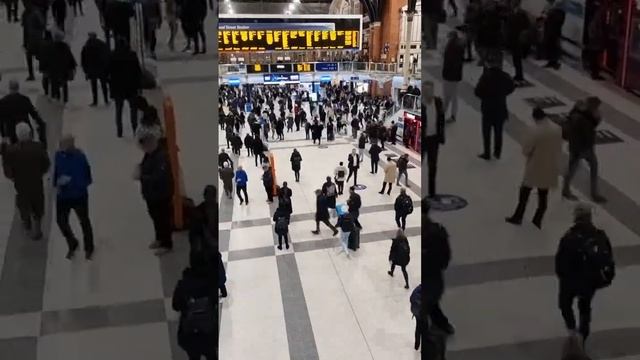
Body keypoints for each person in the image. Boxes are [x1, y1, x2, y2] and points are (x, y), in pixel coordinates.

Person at [555, 203, 614, 344]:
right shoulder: (600, 236)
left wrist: (562, 276)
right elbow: (608, 257)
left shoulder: (569, 237)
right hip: (590, 281)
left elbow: (560, 261)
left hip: (570, 281)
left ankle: (572, 330)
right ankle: (583, 334)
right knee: (585, 307)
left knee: (565, 304)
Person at [506, 108, 562, 229]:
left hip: (535, 165)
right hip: (550, 166)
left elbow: (526, 150)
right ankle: (537, 219)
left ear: (535, 117)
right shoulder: (557, 129)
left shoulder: (535, 131)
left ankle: (518, 216)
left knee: (525, 193)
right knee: (543, 195)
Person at [2, 123, 50, 240]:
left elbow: (7, 169)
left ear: (17, 136)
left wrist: (12, 176)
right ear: (30, 133)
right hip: (36, 181)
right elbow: (46, 164)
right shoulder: (38, 147)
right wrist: (40, 172)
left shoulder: (11, 150)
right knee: (38, 203)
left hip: (21, 183)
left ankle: (27, 223)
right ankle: (37, 225)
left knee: (23, 203)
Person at [54, 135, 95, 260]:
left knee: (84, 221)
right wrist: (56, 183)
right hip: (63, 196)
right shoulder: (58, 155)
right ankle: (72, 242)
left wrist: (69, 183)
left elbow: (87, 178)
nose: (60, 148)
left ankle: (89, 247)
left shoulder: (80, 158)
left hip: (79, 196)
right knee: (61, 221)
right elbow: (56, 171)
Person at [135, 133, 174, 256]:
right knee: (155, 217)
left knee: (163, 219)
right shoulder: (149, 155)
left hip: (161, 194)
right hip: (151, 194)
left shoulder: (161, 157)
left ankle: (167, 243)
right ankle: (159, 238)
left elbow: (159, 177)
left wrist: (142, 176)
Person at [172, 251, 216, 360]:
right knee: (211, 355)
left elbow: (176, 306)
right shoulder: (211, 282)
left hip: (190, 331)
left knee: (193, 356)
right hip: (209, 331)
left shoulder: (183, 284)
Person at [562, 97, 606, 203]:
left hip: (581, 147)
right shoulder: (584, 118)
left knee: (576, 168)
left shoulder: (578, 112)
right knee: (575, 168)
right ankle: (592, 193)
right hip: (582, 148)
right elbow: (587, 131)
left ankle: (567, 189)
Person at [422, 200, 455, 335]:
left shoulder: (436, 233)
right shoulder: (433, 232)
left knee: (429, 303)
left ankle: (437, 326)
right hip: (428, 277)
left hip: (432, 277)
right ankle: (440, 323)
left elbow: (445, 257)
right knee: (430, 304)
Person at [474, 54, 515, 160]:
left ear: (488, 64)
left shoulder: (485, 77)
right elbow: (512, 86)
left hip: (488, 108)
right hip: (500, 107)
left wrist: (485, 96)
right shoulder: (504, 75)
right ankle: (497, 152)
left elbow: (477, 92)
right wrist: (503, 93)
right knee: (498, 132)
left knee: (486, 132)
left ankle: (487, 153)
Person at [108, 37, 142, 138]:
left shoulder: (113, 55)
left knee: (118, 110)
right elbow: (137, 71)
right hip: (131, 87)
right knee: (133, 109)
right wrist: (138, 85)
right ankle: (134, 128)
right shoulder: (132, 55)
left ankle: (119, 131)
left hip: (118, 87)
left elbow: (108, 71)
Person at [0, 80, 47, 145]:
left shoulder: (3, 102)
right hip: (26, 129)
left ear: (9, 88)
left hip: (12, 131)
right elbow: (34, 114)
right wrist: (41, 123)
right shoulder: (25, 99)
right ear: (18, 88)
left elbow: (1, 120)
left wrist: (3, 135)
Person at [81, 32, 110, 106]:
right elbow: (107, 56)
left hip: (92, 69)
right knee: (103, 85)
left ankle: (95, 101)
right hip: (101, 68)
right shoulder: (102, 45)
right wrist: (107, 67)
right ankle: (106, 100)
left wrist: (86, 70)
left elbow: (83, 59)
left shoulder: (86, 46)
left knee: (94, 85)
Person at [507, 2, 533, 84]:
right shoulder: (512, 12)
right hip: (513, 38)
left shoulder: (521, 14)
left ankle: (519, 75)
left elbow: (527, 25)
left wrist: (522, 33)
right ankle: (518, 75)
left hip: (518, 38)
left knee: (517, 58)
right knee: (515, 58)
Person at [442, 30, 464, 123]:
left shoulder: (452, 47)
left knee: (448, 96)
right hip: (454, 76)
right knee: (452, 96)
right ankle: (450, 114)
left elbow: (449, 62)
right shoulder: (458, 46)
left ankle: (446, 114)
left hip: (450, 76)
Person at [49, 31, 77, 104]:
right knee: (64, 84)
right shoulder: (65, 46)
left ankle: (57, 96)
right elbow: (70, 56)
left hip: (55, 68)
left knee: (56, 83)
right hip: (64, 68)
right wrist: (73, 66)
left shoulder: (52, 46)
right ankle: (65, 98)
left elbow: (48, 58)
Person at [22, 5, 45, 81]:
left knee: (40, 56)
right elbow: (25, 29)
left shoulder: (35, 13)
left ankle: (44, 72)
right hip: (31, 39)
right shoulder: (26, 14)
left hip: (37, 38)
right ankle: (32, 74)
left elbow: (42, 24)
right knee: (29, 56)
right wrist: (25, 41)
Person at [543, 1, 566, 69]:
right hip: (552, 32)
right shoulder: (558, 13)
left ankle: (554, 62)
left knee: (553, 47)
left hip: (553, 33)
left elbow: (555, 22)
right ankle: (551, 62)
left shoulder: (557, 13)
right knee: (551, 47)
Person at [586, 4, 606, 80]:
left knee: (593, 55)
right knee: (595, 56)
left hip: (594, 39)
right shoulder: (598, 16)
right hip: (596, 39)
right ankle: (594, 73)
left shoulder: (595, 15)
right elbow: (597, 28)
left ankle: (594, 72)